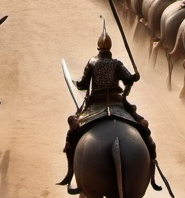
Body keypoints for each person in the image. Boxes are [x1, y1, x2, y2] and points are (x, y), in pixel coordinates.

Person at [61, 23, 160, 188]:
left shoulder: (92, 62)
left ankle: (71, 172)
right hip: (118, 104)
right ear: (109, 48)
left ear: (98, 48)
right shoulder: (117, 64)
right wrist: (133, 77)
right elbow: (129, 80)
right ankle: (152, 170)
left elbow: (83, 86)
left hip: (94, 105)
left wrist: (75, 83)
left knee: (72, 132)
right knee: (144, 129)